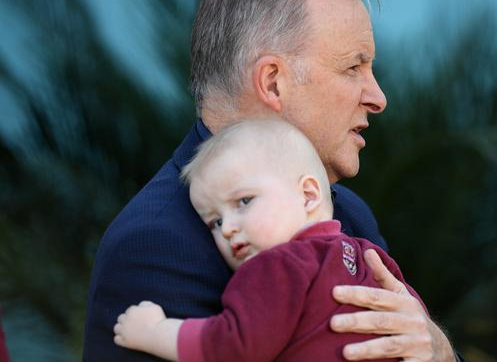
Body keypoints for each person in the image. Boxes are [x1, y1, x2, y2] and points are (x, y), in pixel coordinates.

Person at [84, 0, 460, 361]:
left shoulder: (348, 211)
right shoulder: (155, 248)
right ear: (273, 82)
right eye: (352, 68)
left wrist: (438, 351)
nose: (378, 97)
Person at [113, 119, 428, 361]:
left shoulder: (277, 266)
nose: (228, 229)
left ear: (308, 196)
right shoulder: (366, 254)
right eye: (215, 221)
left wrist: (155, 332)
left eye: (244, 202)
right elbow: (415, 320)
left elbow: (233, 346)